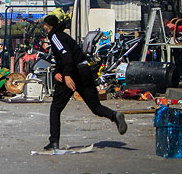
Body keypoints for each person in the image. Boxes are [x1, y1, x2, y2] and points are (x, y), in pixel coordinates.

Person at [42, 14, 127, 151]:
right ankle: (114, 116)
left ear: (47, 27)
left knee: (56, 108)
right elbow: (63, 58)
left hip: (74, 72)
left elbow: (67, 58)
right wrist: (57, 72)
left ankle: (54, 142)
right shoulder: (64, 36)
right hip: (84, 70)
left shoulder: (55, 37)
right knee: (95, 106)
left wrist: (67, 76)